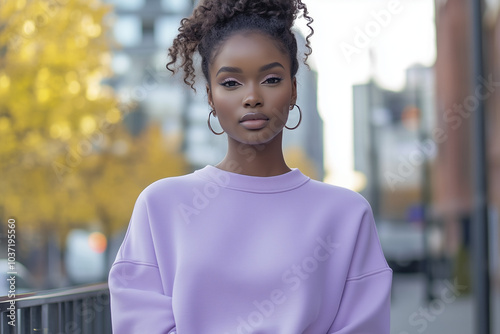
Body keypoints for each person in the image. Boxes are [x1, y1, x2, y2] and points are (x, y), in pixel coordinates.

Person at [108, 0, 392, 333]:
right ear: (211, 97)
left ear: (294, 90)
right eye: (230, 83)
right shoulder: (160, 206)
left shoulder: (347, 214)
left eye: (271, 79)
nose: (252, 97)